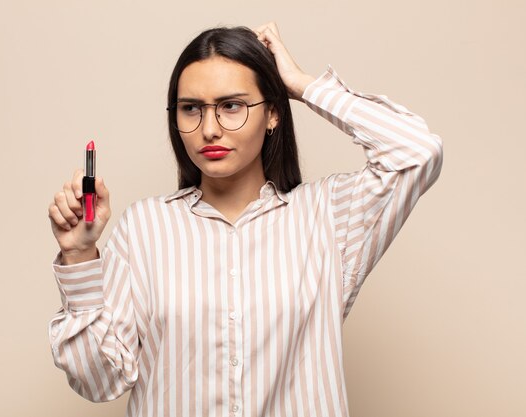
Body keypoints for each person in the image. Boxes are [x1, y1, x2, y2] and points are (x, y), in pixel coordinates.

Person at [47, 22, 443, 417]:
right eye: (191, 109)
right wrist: (81, 257)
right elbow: (100, 382)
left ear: (273, 113)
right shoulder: (145, 228)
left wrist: (302, 86)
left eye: (231, 106)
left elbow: (416, 151)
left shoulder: (327, 217)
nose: (209, 129)